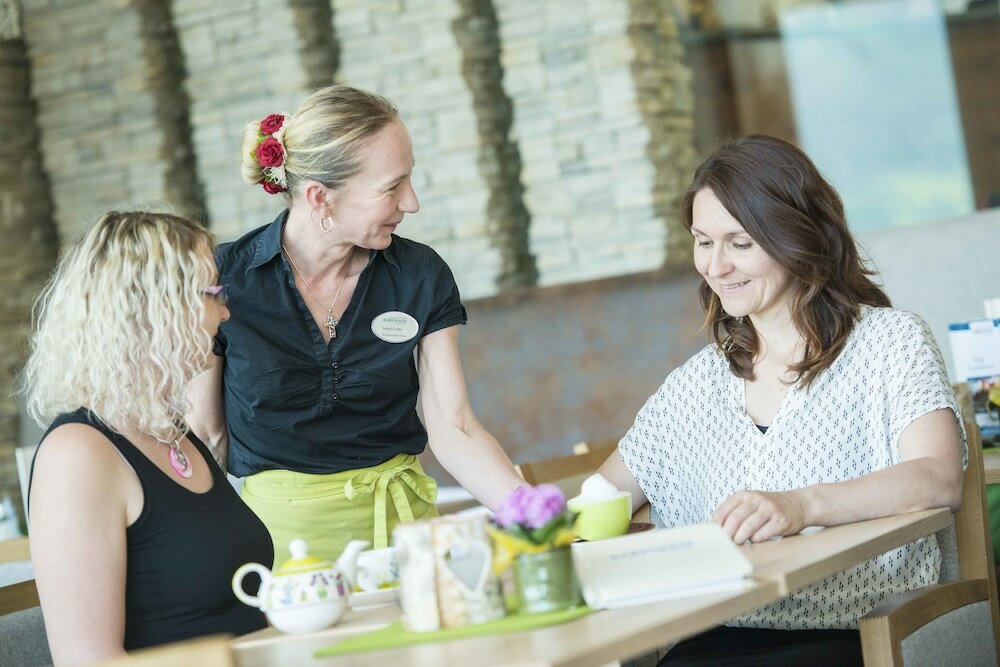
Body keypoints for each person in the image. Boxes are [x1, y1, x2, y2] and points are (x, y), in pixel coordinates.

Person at [598, 135, 965, 666]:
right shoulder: (692, 386)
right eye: (703, 241)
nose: (716, 266)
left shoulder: (891, 342)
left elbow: (938, 477)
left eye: (740, 243)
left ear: (800, 236)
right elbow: (598, 502)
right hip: (710, 641)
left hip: (859, 633)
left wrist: (799, 506)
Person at [186, 84, 523, 563]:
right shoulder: (221, 280)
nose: (412, 202)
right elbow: (205, 434)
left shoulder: (419, 275)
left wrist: (528, 511)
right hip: (280, 554)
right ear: (320, 197)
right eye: (392, 187)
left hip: (407, 538)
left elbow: (455, 426)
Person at [23, 212, 273, 664]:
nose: (225, 311)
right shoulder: (78, 455)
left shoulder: (172, 433)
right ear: (154, 308)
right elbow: (87, 660)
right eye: (212, 294)